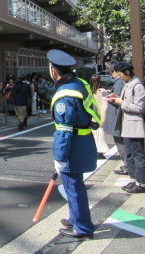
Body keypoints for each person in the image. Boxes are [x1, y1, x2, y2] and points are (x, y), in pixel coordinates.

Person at [47, 49, 98, 240]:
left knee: (73, 186)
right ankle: (76, 217)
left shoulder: (64, 94)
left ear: (54, 71)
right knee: (75, 185)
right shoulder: (80, 83)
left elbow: (64, 129)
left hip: (72, 145)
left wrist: (59, 157)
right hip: (84, 140)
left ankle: (83, 227)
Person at [106, 61, 145, 194]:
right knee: (129, 154)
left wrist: (121, 102)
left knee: (138, 155)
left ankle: (142, 184)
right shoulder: (128, 84)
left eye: (120, 74)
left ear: (127, 72)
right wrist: (115, 98)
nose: (119, 77)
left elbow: (140, 107)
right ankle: (134, 179)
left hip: (135, 125)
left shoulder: (138, 86)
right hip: (126, 124)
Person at [101, 61, 128, 175]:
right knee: (121, 142)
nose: (112, 75)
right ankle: (127, 164)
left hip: (117, 117)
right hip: (119, 116)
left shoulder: (119, 83)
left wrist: (105, 95)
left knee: (121, 143)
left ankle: (127, 165)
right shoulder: (121, 82)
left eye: (112, 73)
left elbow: (116, 99)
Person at [89, 74, 109, 159]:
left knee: (94, 134)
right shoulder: (102, 91)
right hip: (101, 115)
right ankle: (100, 151)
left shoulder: (89, 92)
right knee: (101, 134)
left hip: (92, 116)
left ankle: (95, 151)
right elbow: (105, 106)